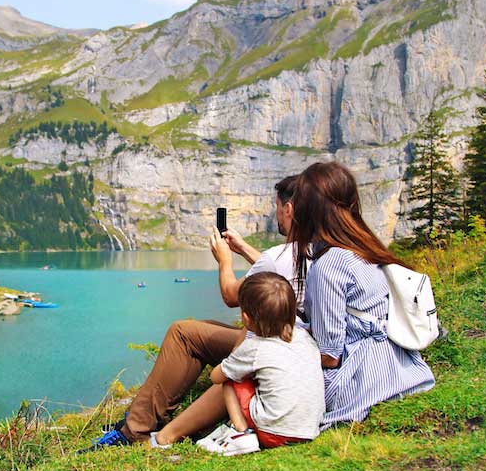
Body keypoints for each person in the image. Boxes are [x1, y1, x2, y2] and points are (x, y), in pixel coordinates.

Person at [81, 175, 306, 451]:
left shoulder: (280, 255)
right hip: (293, 342)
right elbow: (273, 267)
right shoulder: (309, 250)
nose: (277, 215)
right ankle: (146, 416)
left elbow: (232, 296)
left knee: (183, 333)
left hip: (274, 346)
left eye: (277, 208)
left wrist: (224, 260)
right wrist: (243, 248)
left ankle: (135, 430)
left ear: (289, 209)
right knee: (205, 327)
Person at [290, 162, 435, 426]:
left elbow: (330, 355)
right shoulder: (366, 250)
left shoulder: (328, 266)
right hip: (403, 369)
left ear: (307, 212)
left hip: (360, 383)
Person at [150, 272, 324, 455]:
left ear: (246, 318)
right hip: (308, 430)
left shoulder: (254, 347)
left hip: (274, 433)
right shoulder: (304, 338)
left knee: (230, 379)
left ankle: (240, 433)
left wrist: (239, 344)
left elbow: (216, 376)